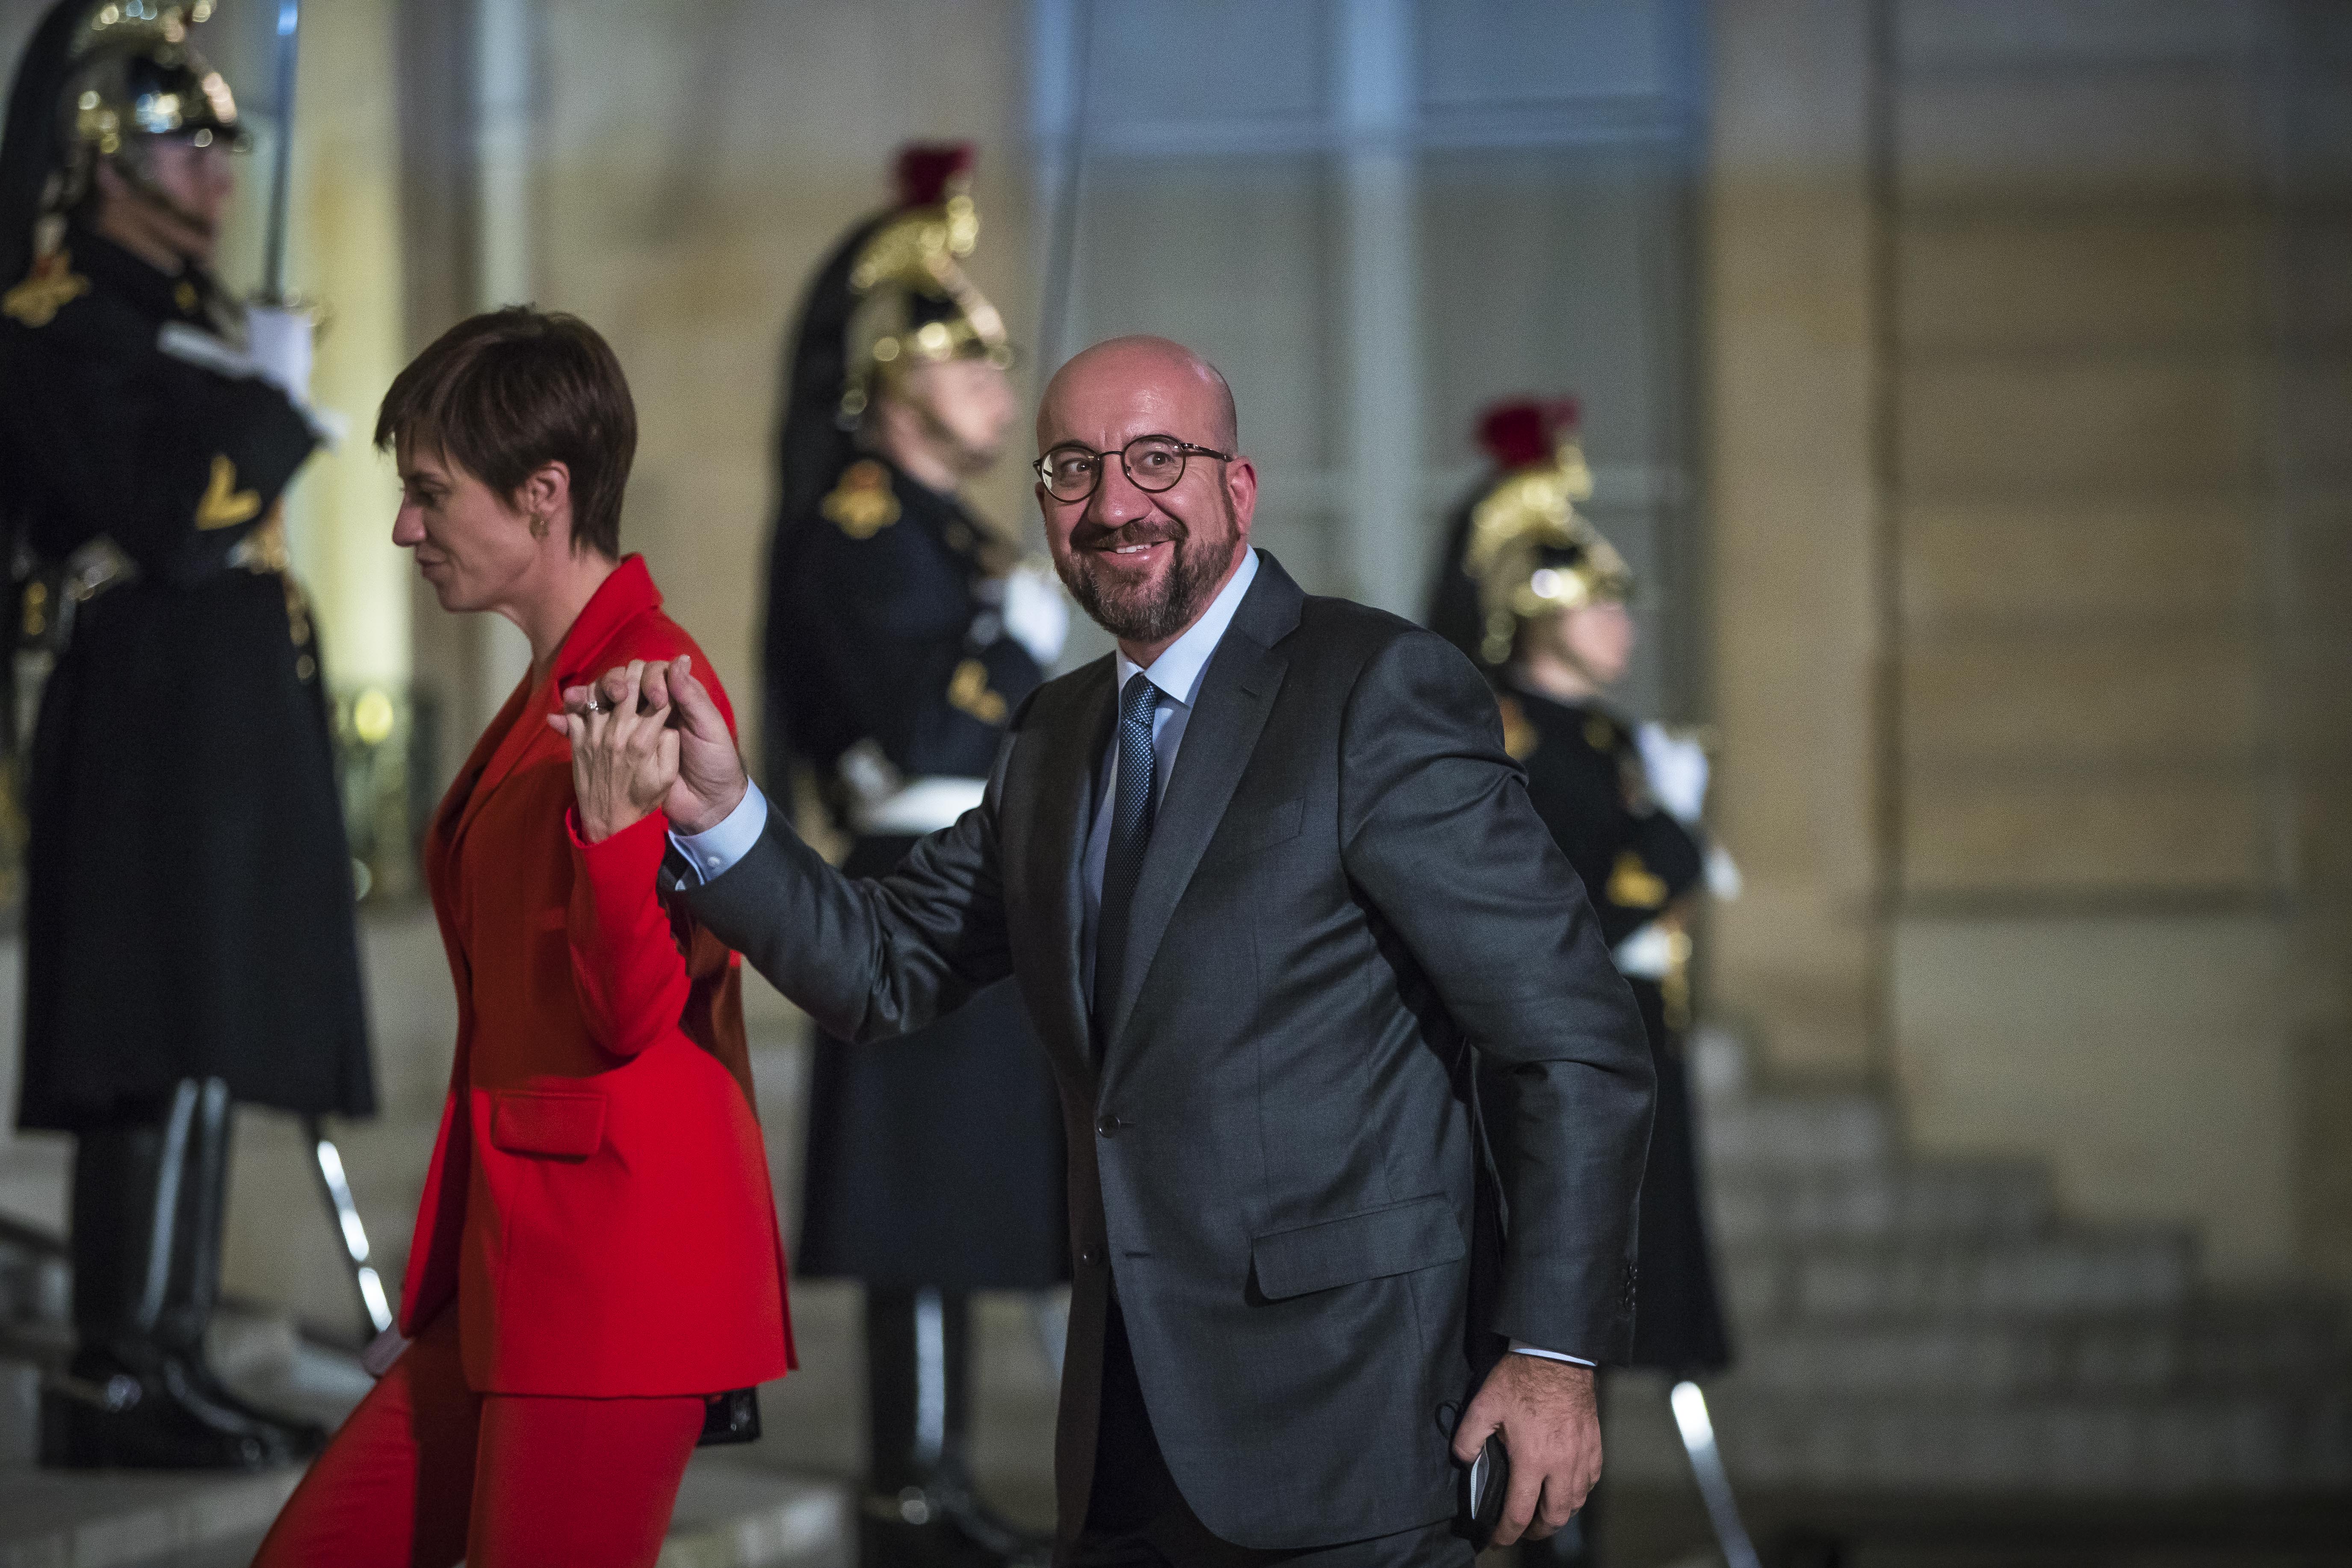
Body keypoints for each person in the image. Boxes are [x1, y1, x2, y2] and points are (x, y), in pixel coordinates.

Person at [568, 335, 1656, 1565]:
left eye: (1155, 459)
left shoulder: (1376, 689)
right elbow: (882, 967)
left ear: (1236, 489)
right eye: (1073, 469)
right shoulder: (1053, 735)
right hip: (1119, 1449)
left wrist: (1553, 1354)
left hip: (1353, 1436)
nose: (1112, 503)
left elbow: (1570, 1040)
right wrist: (717, 813)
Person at [251, 309, 794, 1568]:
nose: (402, 527)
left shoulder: (650, 679)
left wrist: (613, 843)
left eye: (429, 493)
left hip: (615, 1279)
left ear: (544, 493)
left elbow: (635, 1015)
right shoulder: (562, 673)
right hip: (520, 1269)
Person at [0, 0, 371, 1469]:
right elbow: (163, 519)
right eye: (190, 146)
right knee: (149, 1036)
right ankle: (110, 1371)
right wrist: (272, 406)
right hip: (144, 706)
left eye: (228, 148)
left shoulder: (183, 321)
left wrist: (249, 382)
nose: (223, 177)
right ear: (106, 160)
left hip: (218, 716)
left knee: (209, 1034)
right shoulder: (55, 319)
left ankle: (170, 1348)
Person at [762, 142, 1067, 1564]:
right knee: (922, 1204)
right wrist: (1013, 650)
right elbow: (907, 719)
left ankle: (937, 1470)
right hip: (909, 875)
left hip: (976, 867)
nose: (999, 386)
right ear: (892, 378)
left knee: (970, 1194)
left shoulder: (954, 531)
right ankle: (910, 1482)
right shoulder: (863, 519)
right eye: (968, 359)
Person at [1433, 398, 1738, 1567]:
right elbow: (1609, 885)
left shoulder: (1606, 740)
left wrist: (1664, 842)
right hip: (1553, 1064)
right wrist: (1666, 843)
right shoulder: (1507, 735)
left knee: (1612, 1325)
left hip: (1635, 1061)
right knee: (1553, 1318)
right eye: (1601, 599)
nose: (1623, 620)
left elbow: (1666, 867)